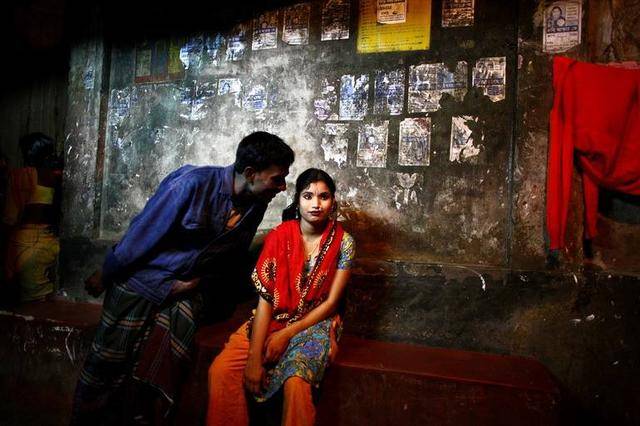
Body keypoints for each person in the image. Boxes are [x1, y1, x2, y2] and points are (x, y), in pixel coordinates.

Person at [70, 131, 294, 425]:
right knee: (106, 367)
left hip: (183, 291)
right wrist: (106, 274)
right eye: (277, 179)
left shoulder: (256, 204)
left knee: (149, 371)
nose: (282, 187)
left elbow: (231, 256)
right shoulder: (191, 185)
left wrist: (199, 281)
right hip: (142, 283)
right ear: (251, 173)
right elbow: (140, 235)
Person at [207, 168, 356, 426]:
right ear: (297, 200)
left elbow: (332, 302)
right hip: (275, 315)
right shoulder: (278, 237)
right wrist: (254, 359)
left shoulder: (344, 242)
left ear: (333, 202)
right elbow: (266, 299)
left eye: (323, 197)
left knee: (297, 381)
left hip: (316, 321)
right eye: (308, 196)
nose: (316, 204)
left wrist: (286, 334)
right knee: (221, 370)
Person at [2, 132, 62, 305]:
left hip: (26, 243)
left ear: (27, 153)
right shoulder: (56, 175)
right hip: (50, 241)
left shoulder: (21, 176)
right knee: (42, 297)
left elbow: (10, 217)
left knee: (29, 304)